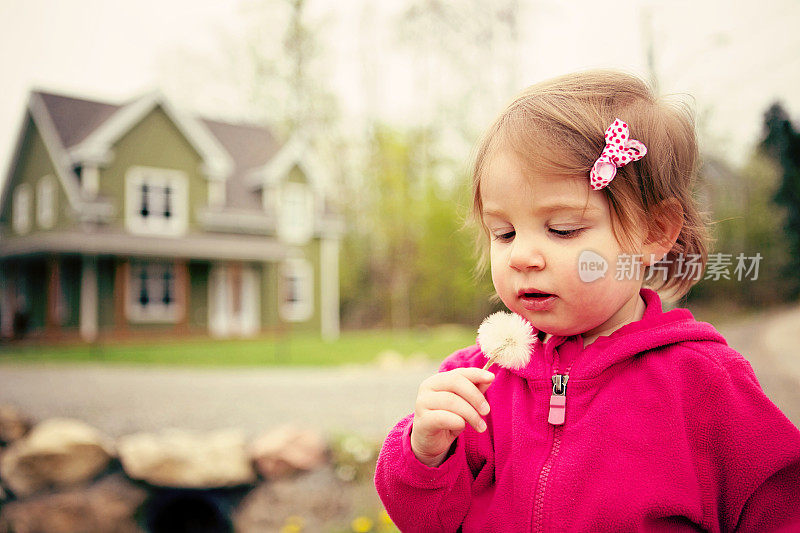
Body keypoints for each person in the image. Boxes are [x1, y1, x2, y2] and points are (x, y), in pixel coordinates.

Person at [374, 69, 800, 532]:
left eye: (562, 229)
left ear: (655, 231)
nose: (522, 256)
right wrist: (425, 454)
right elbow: (426, 522)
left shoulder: (702, 383)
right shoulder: (480, 383)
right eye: (504, 232)